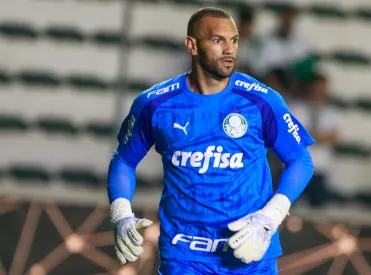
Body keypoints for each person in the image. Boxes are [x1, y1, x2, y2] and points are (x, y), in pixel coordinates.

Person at [106, 7, 315, 275]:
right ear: (192, 45)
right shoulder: (154, 104)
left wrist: (269, 219)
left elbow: (300, 160)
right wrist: (121, 214)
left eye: (235, 40)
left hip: (250, 252)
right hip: (184, 256)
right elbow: (123, 159)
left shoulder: (262, 100)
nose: (230, 50)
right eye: (218, 40)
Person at [289, 73, 342, 207]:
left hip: (321, 168)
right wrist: (322, 137)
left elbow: (335, 138)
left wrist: (309, 137)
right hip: (297, 167)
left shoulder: (332, 112)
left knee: (319, 210)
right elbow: (293, 136)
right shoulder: (296, 108)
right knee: (290, 208)